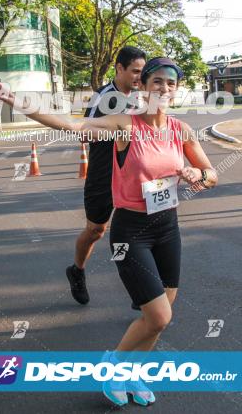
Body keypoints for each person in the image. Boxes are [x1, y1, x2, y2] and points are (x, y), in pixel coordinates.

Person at [0, 56, 218, 407]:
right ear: (142, 86)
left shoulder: (180, 131)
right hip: (131, 233)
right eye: (156, 81)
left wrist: (196, 175)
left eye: (171, 83)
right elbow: (72, 127)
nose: (164, 88)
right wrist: (16, 100)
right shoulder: (125, 126)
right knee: (160, 315)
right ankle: (114, 365)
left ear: (177, 90)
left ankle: (134, 372)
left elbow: (211, 173)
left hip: (167, 229)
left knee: (156, 322)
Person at [66, 46, 145, 308]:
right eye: (135, 71)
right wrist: (115, 129)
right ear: (119, 68)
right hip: (103, 175)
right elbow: (84, 133)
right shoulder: (102, 97)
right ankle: (77, 270)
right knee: (95, 231)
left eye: (142, 72)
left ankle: (143, 292)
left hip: (133, 176)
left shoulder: (141, 97)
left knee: (136, 233)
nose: (138, 76)